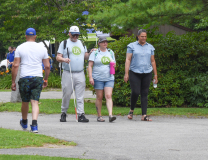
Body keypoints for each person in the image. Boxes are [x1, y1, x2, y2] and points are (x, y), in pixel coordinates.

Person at [11, 28, 50, 133]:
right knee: (35, 102)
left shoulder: (20, 48)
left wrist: (13, 81)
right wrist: (45, 79)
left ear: (25, 36)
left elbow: (15, 65)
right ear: (35, 36)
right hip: (37, 77)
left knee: (25, 101)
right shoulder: (42, 48)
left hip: (25, 77)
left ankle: (24, 121)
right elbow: (47, 66)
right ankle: (34, 125)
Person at [56, 26, 94, 122]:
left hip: (80, 72)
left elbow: (85, 56)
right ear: (69, 33)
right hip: (68, 72)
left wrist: (90, 53)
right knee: (67, 93)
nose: (75, 37)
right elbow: (58, 57)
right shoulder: (64, 43)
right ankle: (63, 112)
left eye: (77, 35)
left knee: (80, 95)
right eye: (74, 35)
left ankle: (81, 114)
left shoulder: (81, 43)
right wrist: (64, 59)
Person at [124, 29, 158, 121]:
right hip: (134, 72)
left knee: (145, 93)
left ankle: (144, 115)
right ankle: (131, 110)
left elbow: (153, 61)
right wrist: (126, 73)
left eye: (145, 36)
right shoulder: (132, 46)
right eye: (142, 36)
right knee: (135, 92)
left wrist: (155, 75)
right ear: (138, 36)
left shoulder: (150, 47)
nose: (144, 38)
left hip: (147, 72)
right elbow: (128, 60)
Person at [88, 37, 116, 122]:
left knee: (108, 96)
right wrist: (90, 77)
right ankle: (99, 116)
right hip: (98, 78)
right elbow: (90, 65)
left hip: (109, 77)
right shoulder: (95, 53)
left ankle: (110, 115)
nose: (105, 43)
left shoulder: (110, 52)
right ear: (99, 43)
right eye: (103, 42)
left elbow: (113, 63)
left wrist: (114, 66)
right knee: (99, 97)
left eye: (106, 42)